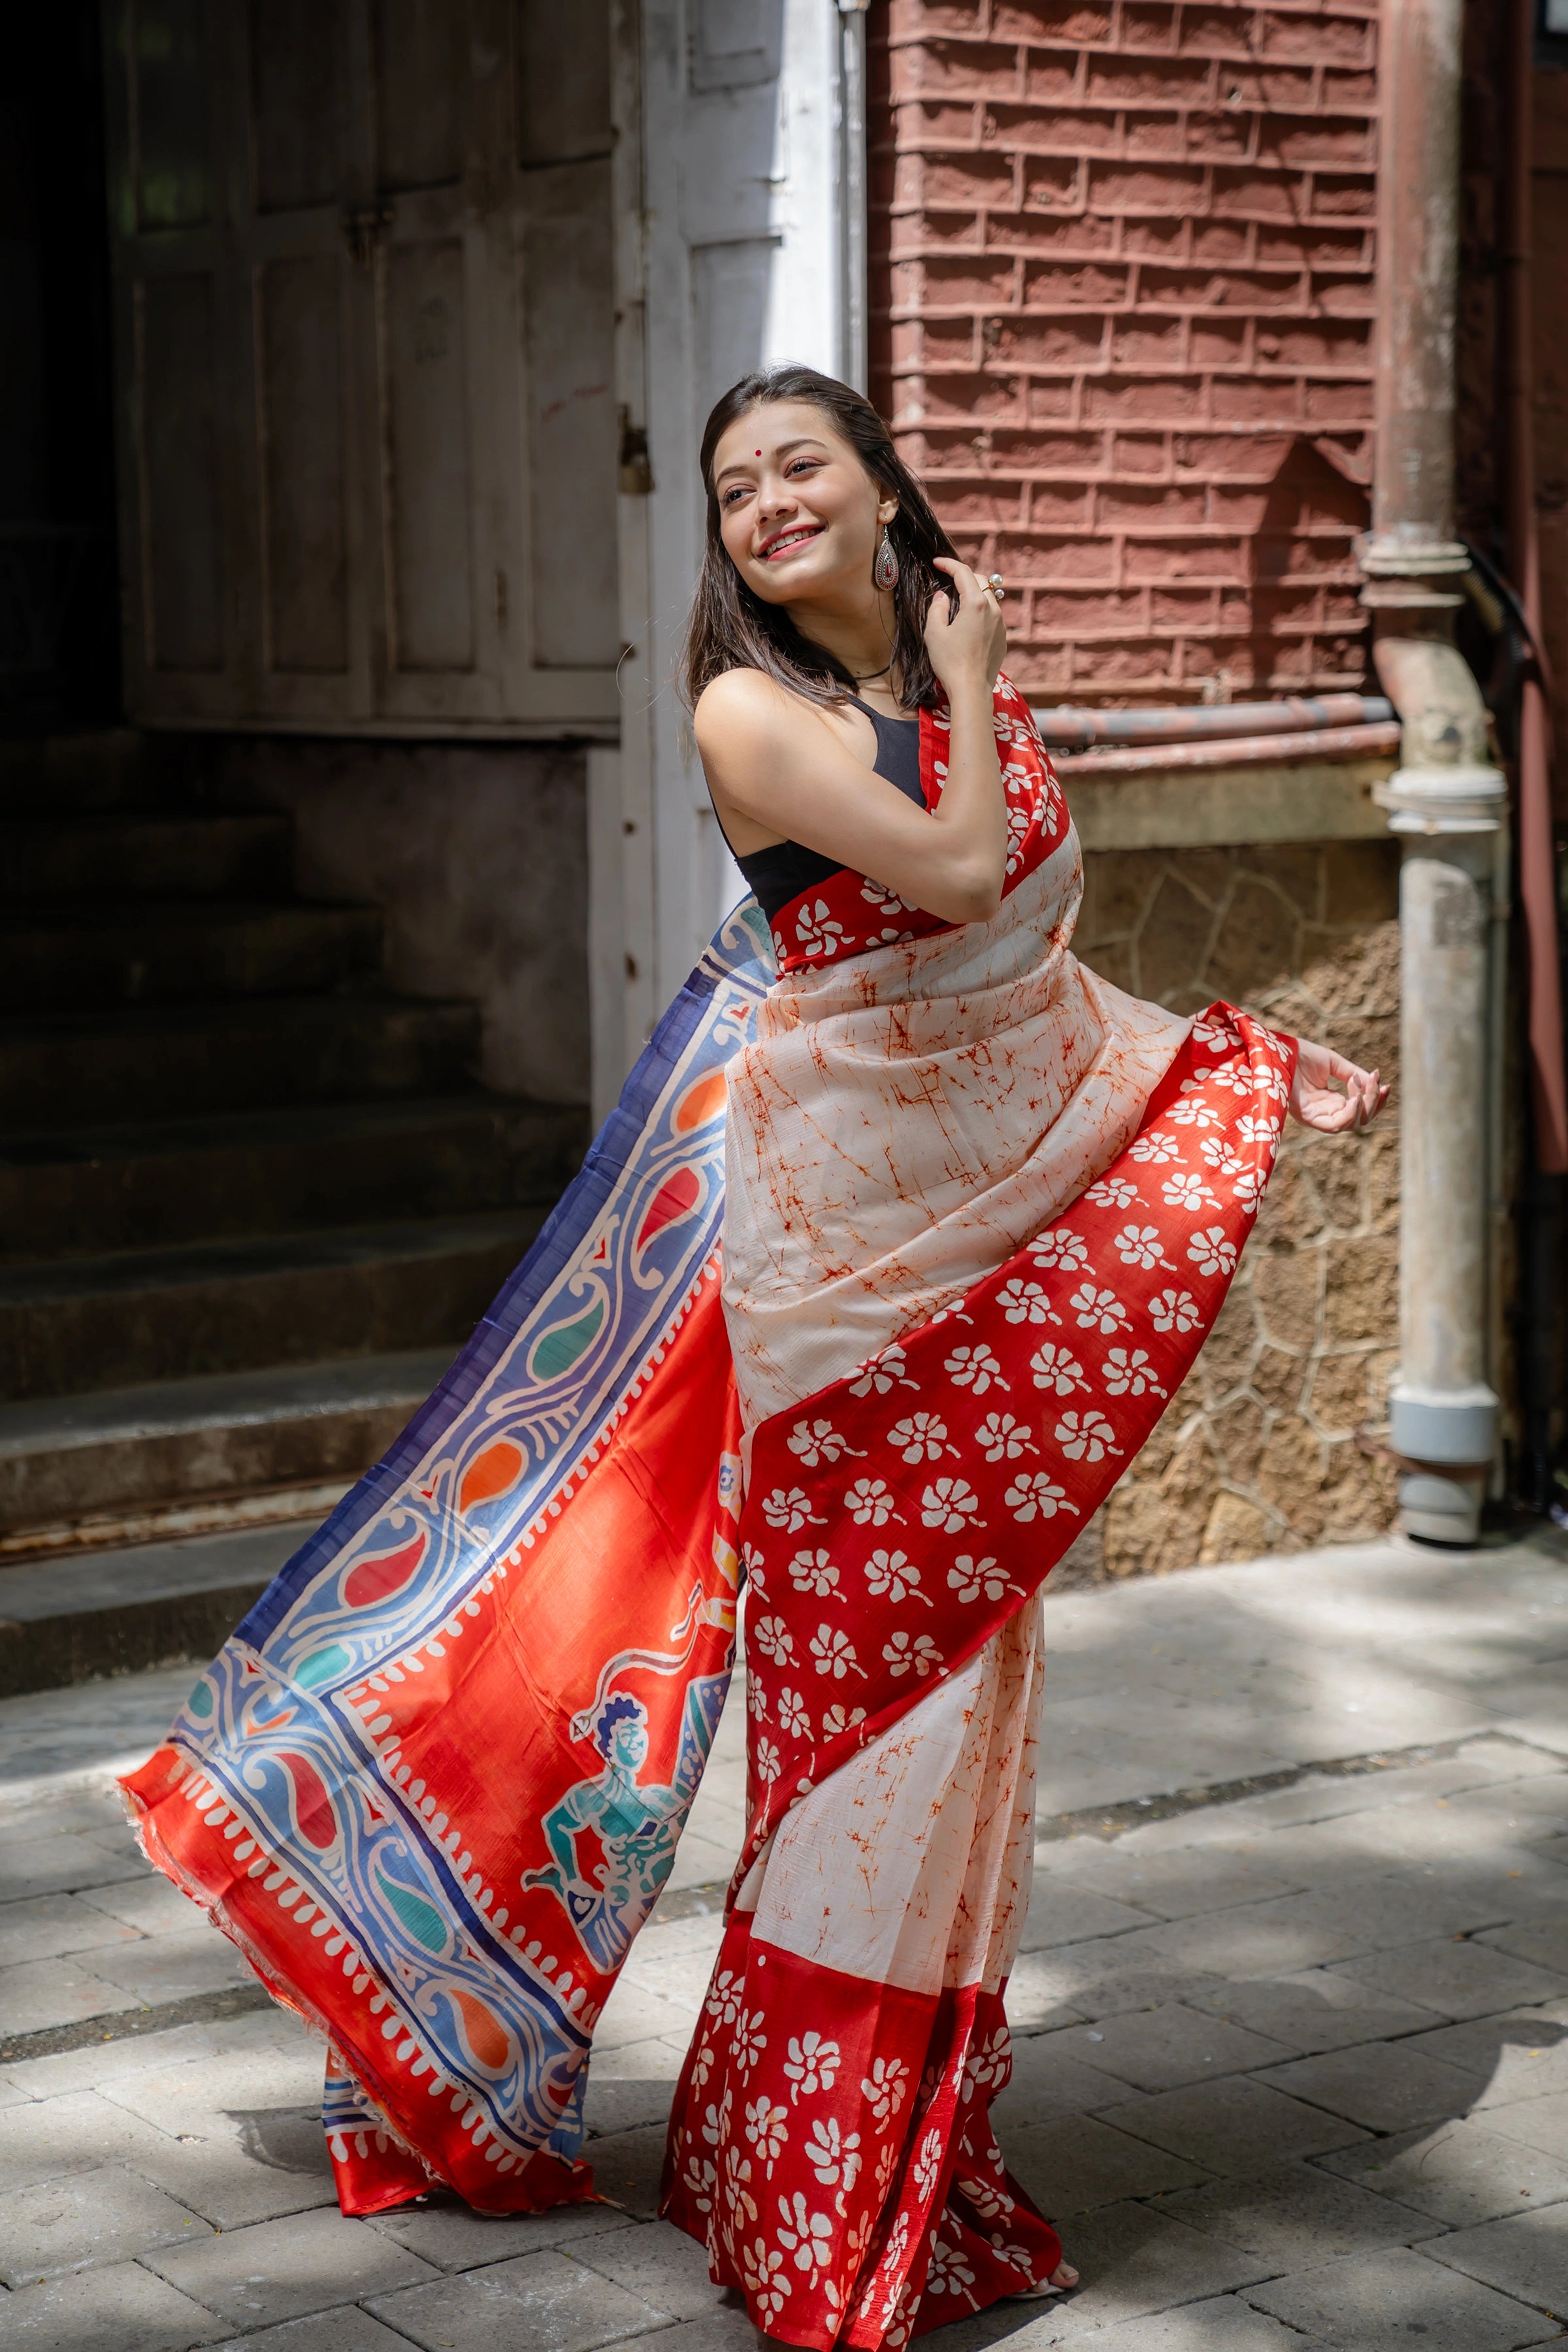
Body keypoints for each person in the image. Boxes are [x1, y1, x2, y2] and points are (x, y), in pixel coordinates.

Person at [120, 367, 1385, 2347]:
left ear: (884, 488)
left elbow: (1014, 967)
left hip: (960, 1255)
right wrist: (973, 681)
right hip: (841, 1293)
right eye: (732, 489)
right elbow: (955, 872)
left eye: (801, 464)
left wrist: (1210, 1070)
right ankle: (815, 2205)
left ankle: (863, 2158)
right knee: (876, 1742)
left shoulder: (944, 698)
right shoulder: (751, 714)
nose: (767, 502)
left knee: (971, 1724)